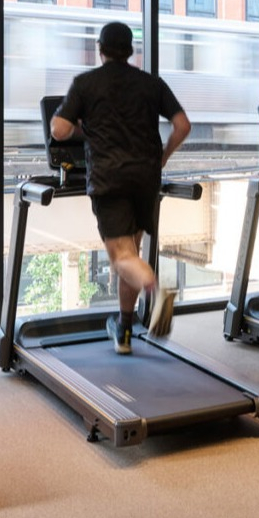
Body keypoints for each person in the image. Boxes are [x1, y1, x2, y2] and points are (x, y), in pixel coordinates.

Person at [52, 21, 191, 354]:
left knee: (122, 258)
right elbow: (183, 125)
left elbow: (58, 129)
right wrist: (163, 156)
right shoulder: (150, 84)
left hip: (109, 178)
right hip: (145, 178)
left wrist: (81, 129)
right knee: (133, 255)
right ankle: (124, 330)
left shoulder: (86, 84)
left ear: (100, 49)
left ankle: (156, 291)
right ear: (131, 50)